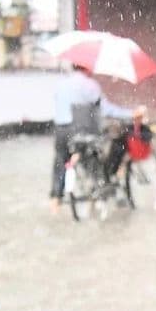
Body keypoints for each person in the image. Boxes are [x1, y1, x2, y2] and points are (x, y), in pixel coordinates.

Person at [49, 60, 102, 214]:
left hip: (60, 129)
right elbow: (102, 109)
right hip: (79, 130)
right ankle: (94, 190)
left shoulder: (61, 84)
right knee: (90, 156)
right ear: (87, 67)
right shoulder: (91, 85)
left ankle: (55, 200)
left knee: (60, 161)